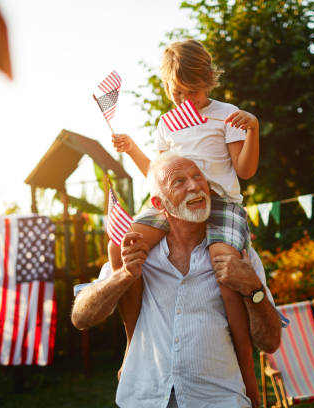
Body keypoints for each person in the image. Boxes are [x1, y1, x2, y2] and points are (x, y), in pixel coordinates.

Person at [110, 39, 261, 405]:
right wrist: (132, 149)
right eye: (176, 92)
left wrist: (253, 129)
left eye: (191, 91)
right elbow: (157, 177)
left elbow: (245, 169)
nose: (184, 100)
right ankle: (133, 345)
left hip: (221, 205)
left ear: (209, 80)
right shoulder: (168, 123)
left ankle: (249, 381)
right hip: (174, 204)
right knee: (121, 246)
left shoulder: (227, 114)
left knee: (225, 270)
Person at [71, 154, 281, 408]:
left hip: (219, 400)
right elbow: (81, 318)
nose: (194, 186)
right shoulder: (137, 255)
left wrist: (253, 288)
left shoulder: (238, 256)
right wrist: (123, 276)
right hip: (145, 399)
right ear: (160, 203)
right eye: (179, 181)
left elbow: (270, 342)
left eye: (197, 177)